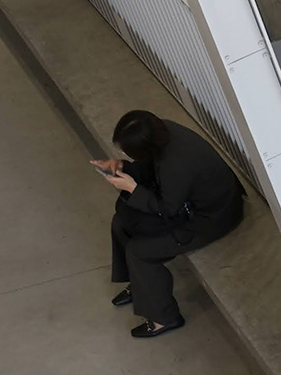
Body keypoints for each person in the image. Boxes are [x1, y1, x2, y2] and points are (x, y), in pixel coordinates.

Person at [94, 109, 244, 337]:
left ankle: (164, 317)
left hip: (209, 218)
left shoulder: (177, 165)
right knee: (120, 222)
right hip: (187, 202)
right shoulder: (162, 129)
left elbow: (166, 209)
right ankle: (140, 283)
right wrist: (123, 167)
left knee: (140, 251)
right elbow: (151, 165)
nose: (124, 152)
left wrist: (132, 188)